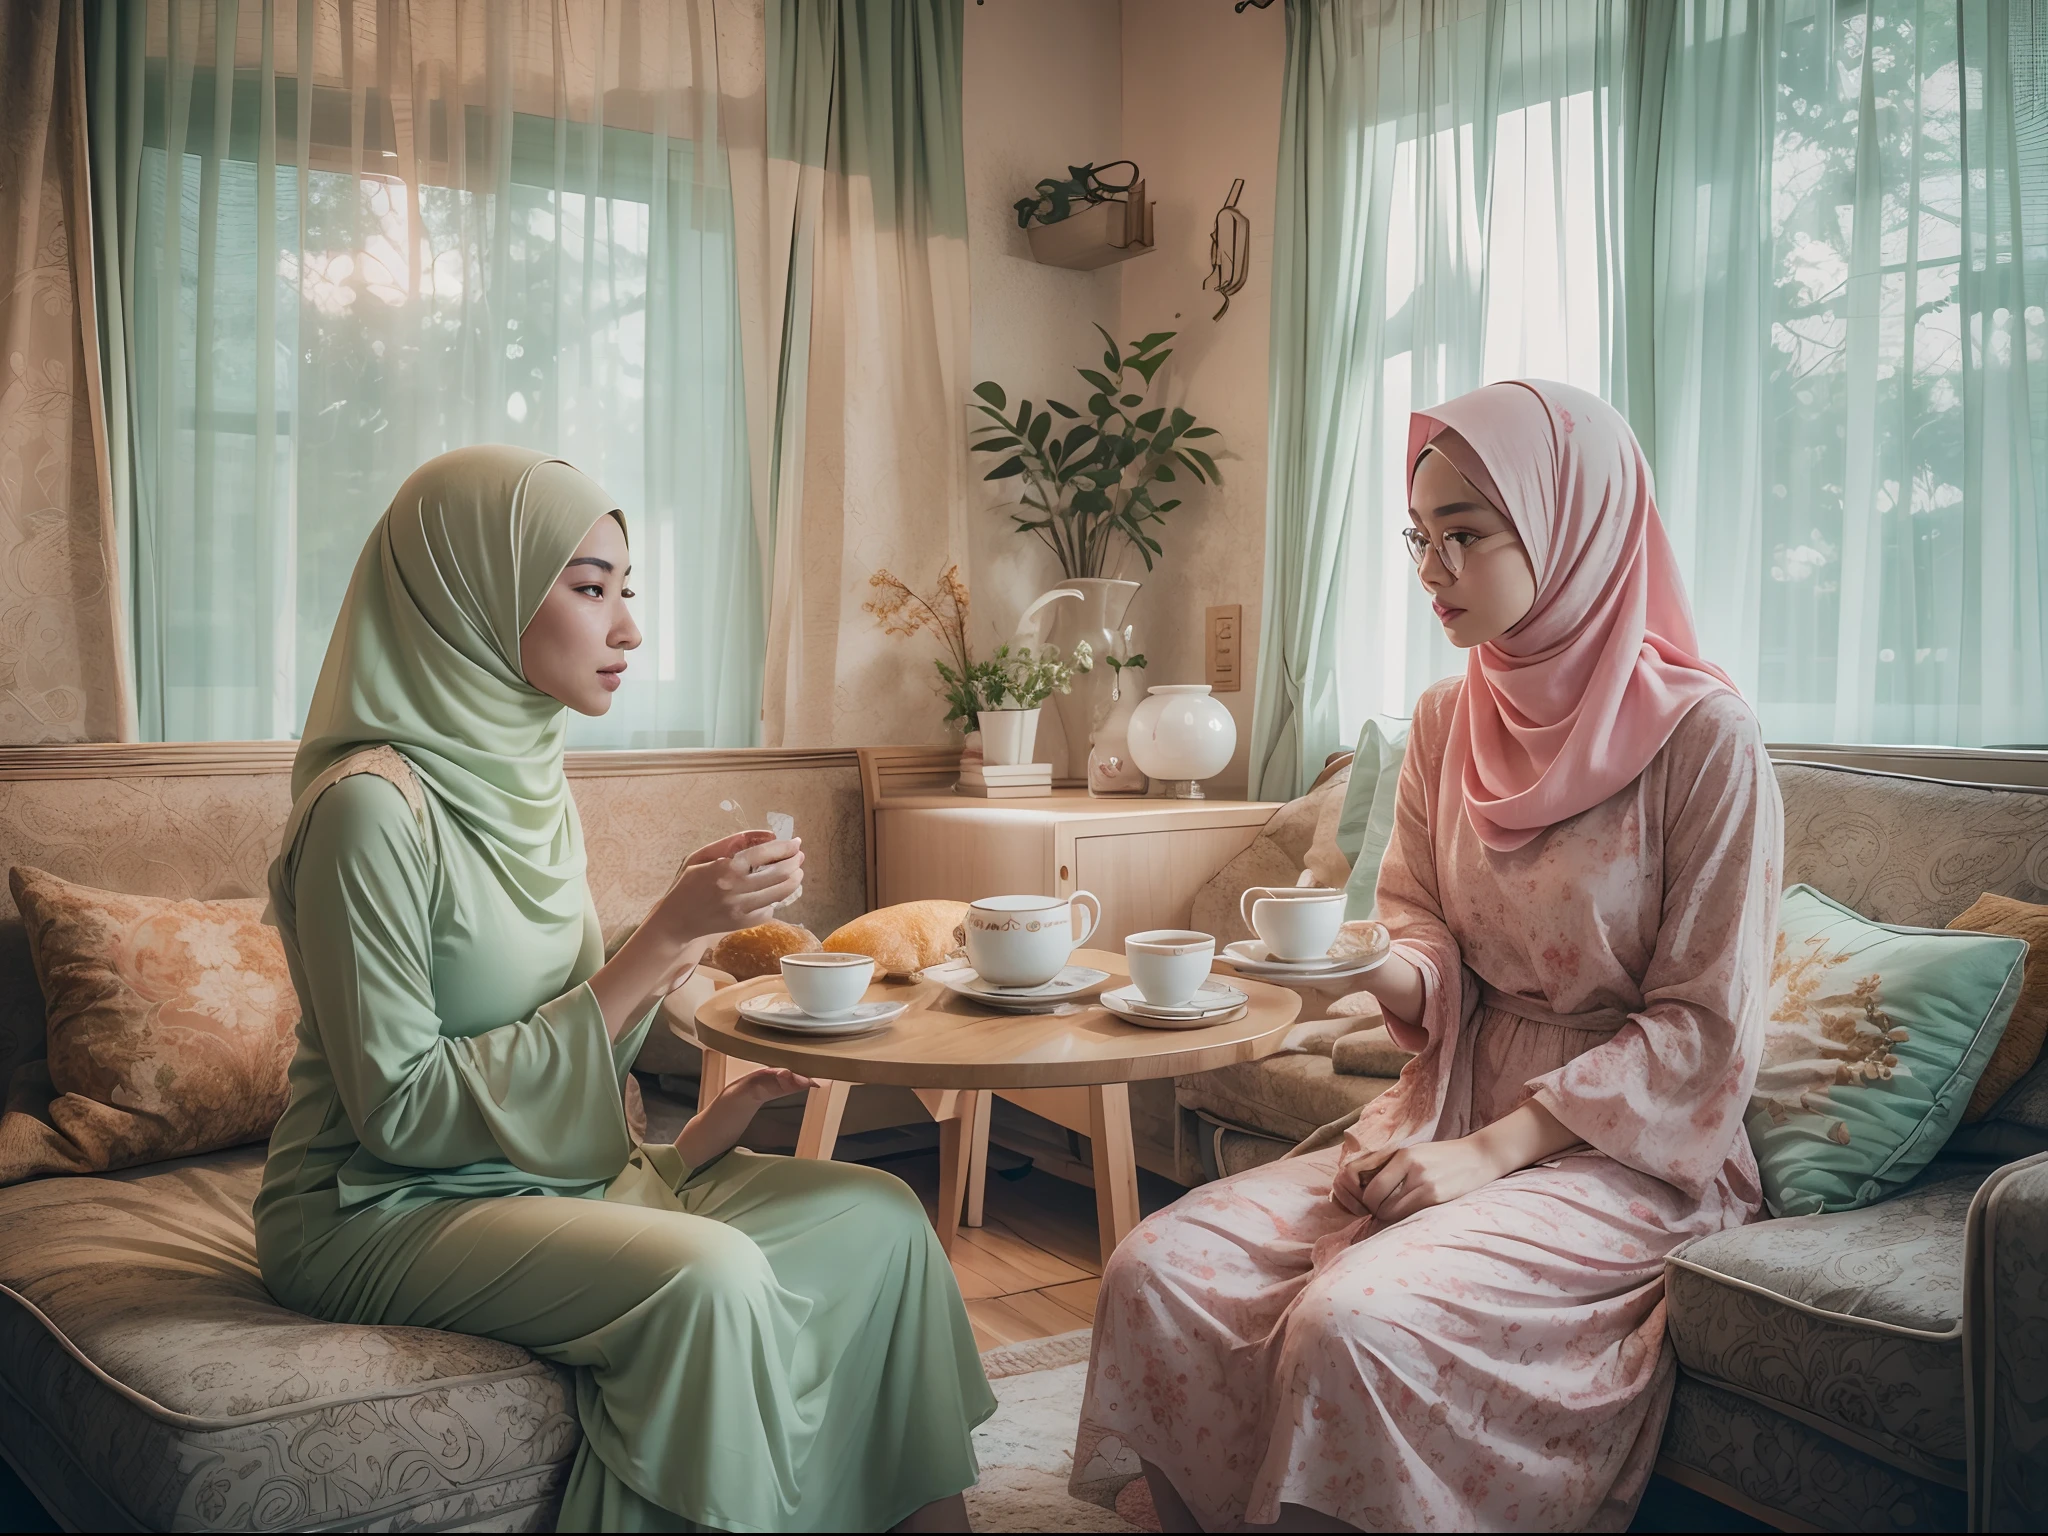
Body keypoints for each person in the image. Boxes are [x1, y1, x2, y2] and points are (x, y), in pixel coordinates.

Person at [1071, 381, 1783, 1532]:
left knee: (1354, 1317)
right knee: (1156, 1268)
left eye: (1464, 535)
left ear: (1569, 528)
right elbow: (1422, 932)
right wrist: (1364, 966)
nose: (1431, 567)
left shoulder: (1705, 739)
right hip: (1443, 1100)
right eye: (1419, 536)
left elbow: (1705, 1029)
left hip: (1621, 1152)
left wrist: (1493, 1154)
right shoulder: (1445, 720)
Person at [254, 446, 994, 1533]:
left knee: (880, 1215)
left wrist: (689, 1055)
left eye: (626, 591)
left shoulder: (526, 778)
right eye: (590, 589)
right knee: (710, 1280)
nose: (628, 629)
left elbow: (549, 1018)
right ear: (470, 593)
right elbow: (401, 1111)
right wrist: (664, 938)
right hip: (375, 1208)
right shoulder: (368, 812)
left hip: (524, 1177)